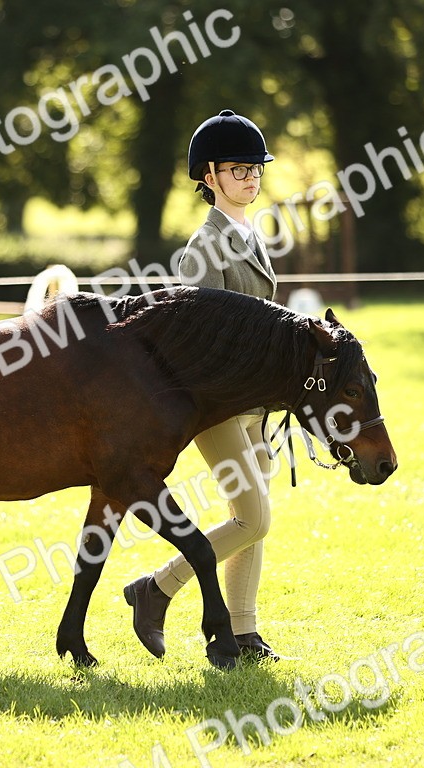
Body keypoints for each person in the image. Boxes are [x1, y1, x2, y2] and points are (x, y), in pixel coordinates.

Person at [123, 109, 283, 663]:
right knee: (254, 517)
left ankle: (242, 634)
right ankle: (157, 587)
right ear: (209, 176)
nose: (250, 177)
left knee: (252, 523)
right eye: (238, 169)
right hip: (217, 406)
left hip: (256, 406)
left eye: (255, 168)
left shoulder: (252, 237)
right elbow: (199, 343)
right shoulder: (203, 248)